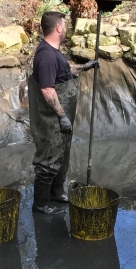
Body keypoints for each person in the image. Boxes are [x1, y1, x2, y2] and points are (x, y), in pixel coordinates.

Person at [28, 11, 98, 214]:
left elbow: (64, 72)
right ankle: (40, 204)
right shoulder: (46, 56)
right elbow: (48, 90)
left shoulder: (54, 52)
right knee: (49, 159)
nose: (66, 28)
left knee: (62, 156)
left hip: (60, 119)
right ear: (58, 27)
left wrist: (84, 67)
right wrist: (61, 116)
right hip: (51, 120)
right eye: (64, 25)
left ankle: (56, 193)